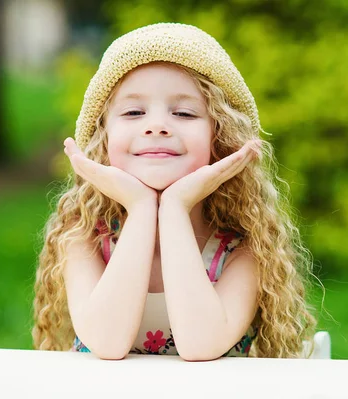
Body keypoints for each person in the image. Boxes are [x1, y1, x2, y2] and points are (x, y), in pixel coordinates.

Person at [32, 22, 317, 360]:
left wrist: (175, 208)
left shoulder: (244, 249)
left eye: (183, 113)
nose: (156, 125)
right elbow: (105, 344)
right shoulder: (83, 238)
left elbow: (201, 345)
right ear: (103, 138)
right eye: (134, 112)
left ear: (220, 138)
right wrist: (140, 209)